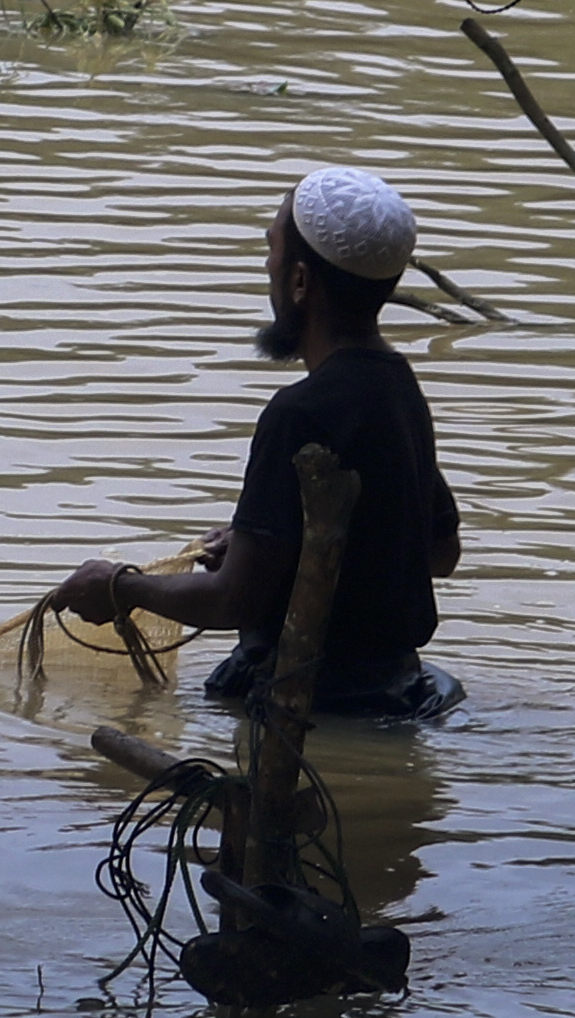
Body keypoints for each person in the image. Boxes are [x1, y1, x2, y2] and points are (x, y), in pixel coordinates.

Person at [54, 166, 465, 716]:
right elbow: (438, 552)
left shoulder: (297, 412)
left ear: (300, 282)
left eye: (271, 248)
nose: (266, 265)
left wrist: (120, 587)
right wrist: (273, 544)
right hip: (398, 689)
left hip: (312, 705)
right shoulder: (398, 386)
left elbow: (233, 599)